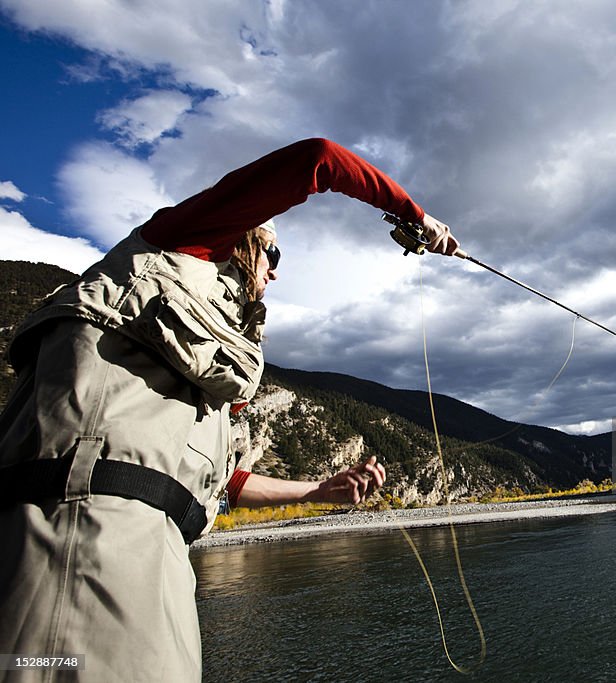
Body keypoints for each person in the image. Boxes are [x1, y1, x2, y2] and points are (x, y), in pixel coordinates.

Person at [0, 138, 460, 682]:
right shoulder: (180, 244)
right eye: (274, 256)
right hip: (77, 539)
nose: (275, 275)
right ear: (242, 240)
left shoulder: (209, 373)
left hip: (161, 560)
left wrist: (317, 492)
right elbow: (320, 159)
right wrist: (417, 218)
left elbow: (223, 482)